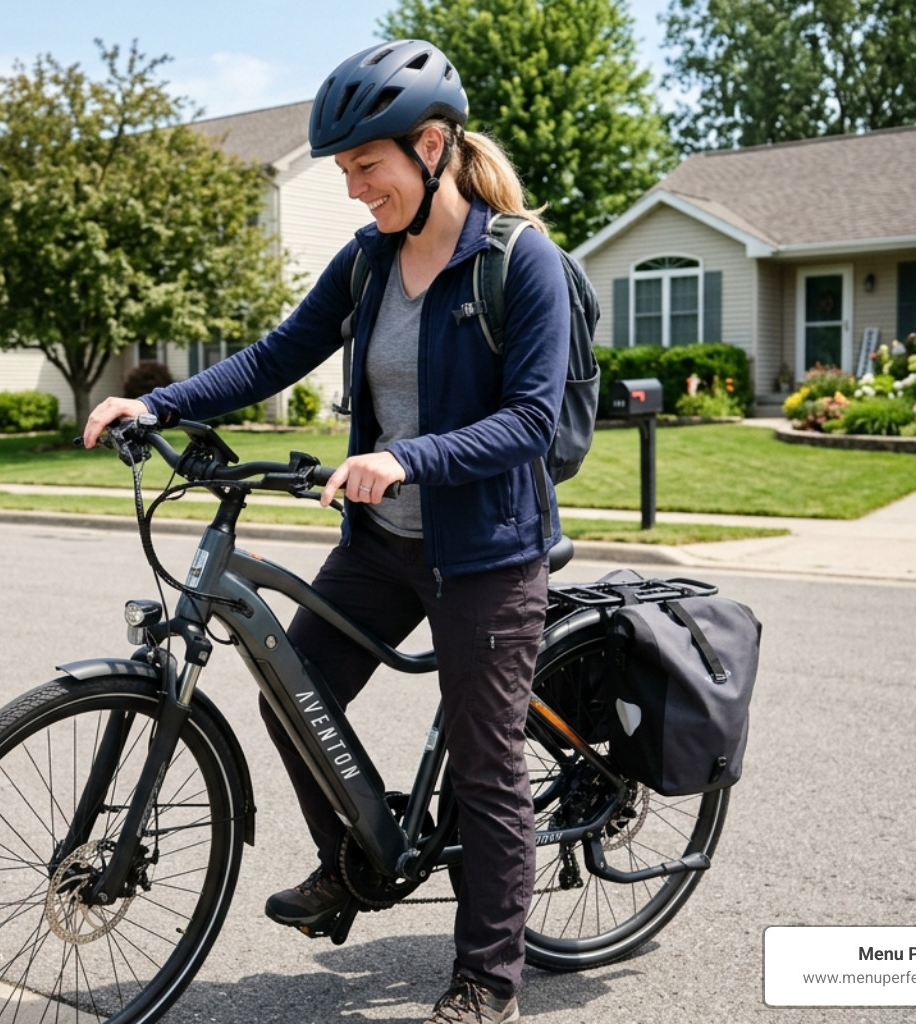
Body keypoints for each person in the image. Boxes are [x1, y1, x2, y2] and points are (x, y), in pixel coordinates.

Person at [83, 38, 568, 1024]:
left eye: (366, 166)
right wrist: (161, 406)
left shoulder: (521, 262)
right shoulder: (369, 264)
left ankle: (486, 978)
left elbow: (534, 418)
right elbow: (274, 356)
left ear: (432, 145)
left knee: (485, 763)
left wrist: (406, 456)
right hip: (383, 541)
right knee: (288, 693)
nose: (352, 189)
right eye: (344, 170)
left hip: (487, 551)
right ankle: (355, 863)